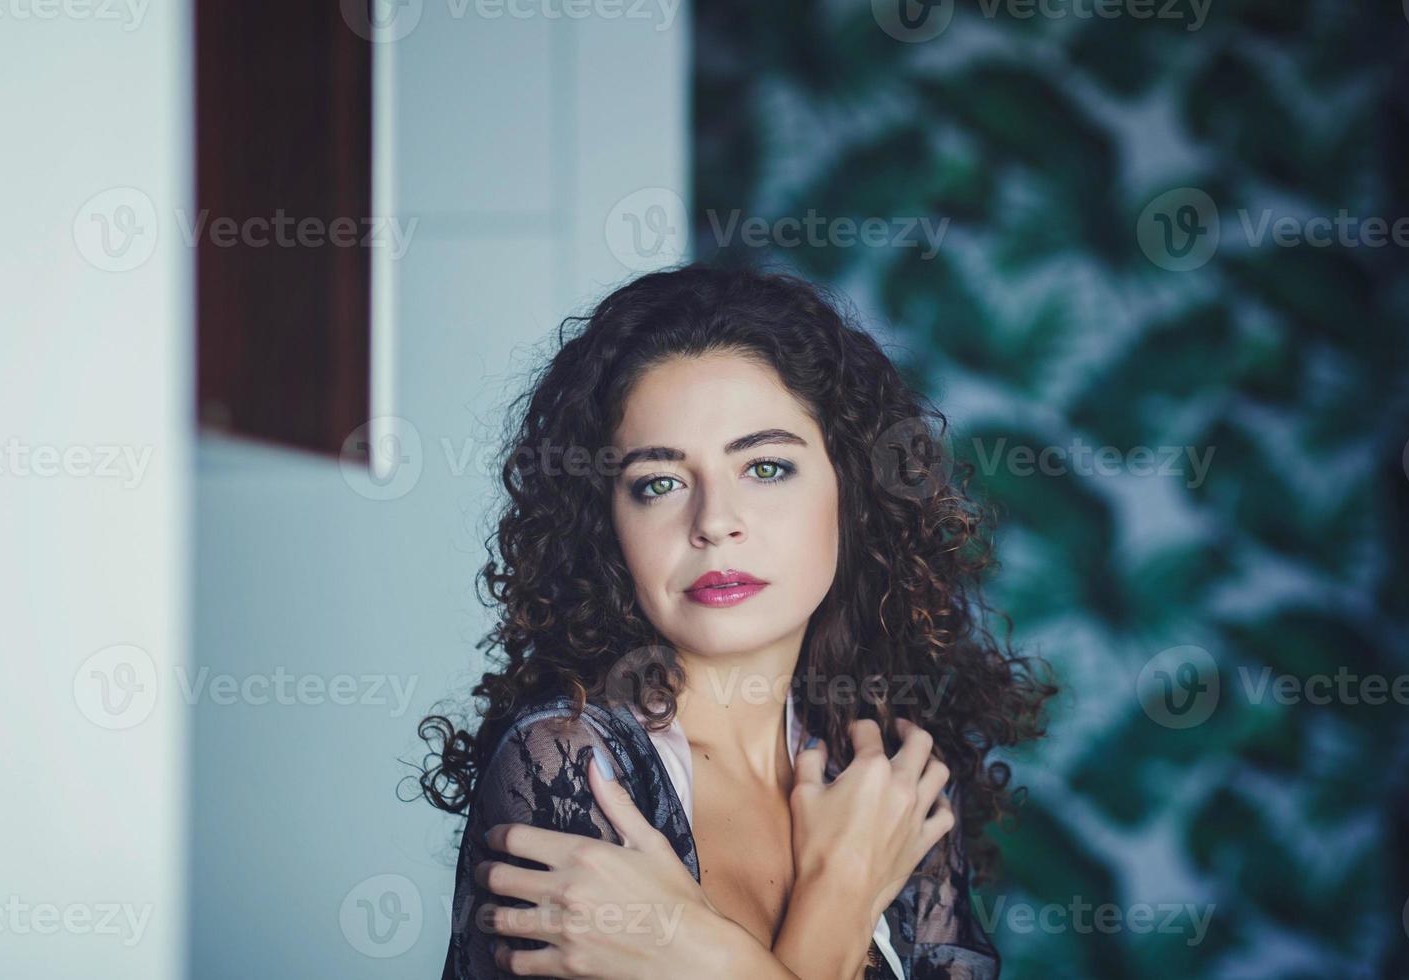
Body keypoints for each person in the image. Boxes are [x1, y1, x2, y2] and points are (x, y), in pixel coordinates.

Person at [415, 262, 1056, 978]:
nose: (714, 522)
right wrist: (839, 897)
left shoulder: (886, 781)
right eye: (659, 483)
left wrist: (702, 956)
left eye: (766, 468)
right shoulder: (573, 769)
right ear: (609, 525)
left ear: (852, 491)